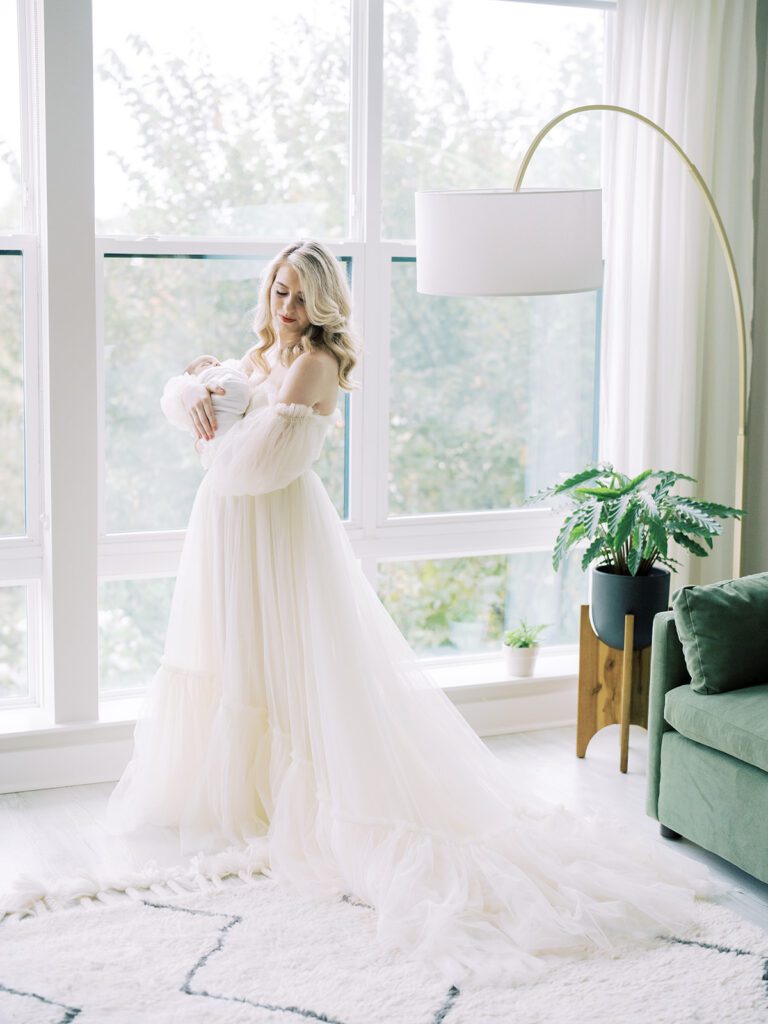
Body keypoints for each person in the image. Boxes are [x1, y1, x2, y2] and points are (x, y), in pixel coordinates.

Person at [106, 238, 727, 988]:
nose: (287, 307)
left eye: (301, 295)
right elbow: (205, 416)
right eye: (279, 291)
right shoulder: (264, 353)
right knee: (235, 650)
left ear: (326, 303)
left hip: (275, 528)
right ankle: (250, 793)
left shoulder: (314, 364)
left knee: (297, 659)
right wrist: (201, 395)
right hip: (230, 531)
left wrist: (212, 423)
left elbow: (255, 466)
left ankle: (313, 801)